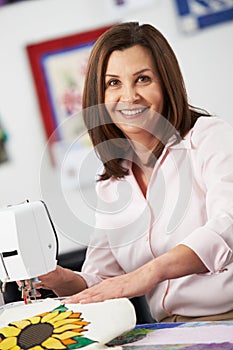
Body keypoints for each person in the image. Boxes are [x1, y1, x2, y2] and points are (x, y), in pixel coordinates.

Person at [36, 22, 233, 323]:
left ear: (167, 84)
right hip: (169, 332)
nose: (129, 96)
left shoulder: (209, 137)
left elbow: (227, 226)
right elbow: (104, 279)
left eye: (142, 79)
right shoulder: (114, 183)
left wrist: (150, 273)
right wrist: (63, 280)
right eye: (113, 83)